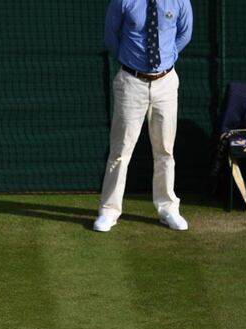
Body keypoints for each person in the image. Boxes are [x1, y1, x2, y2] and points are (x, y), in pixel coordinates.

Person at [94, 0, 193, 232]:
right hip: (131, 82)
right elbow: (111, 36)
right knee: (120, 151)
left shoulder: (180, 1)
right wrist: (133, 64)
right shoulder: (123, 1)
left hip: (166, 83)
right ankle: (108, 210)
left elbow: (185, 34)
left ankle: (168, 209)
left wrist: (165, 60)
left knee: (165, 150)